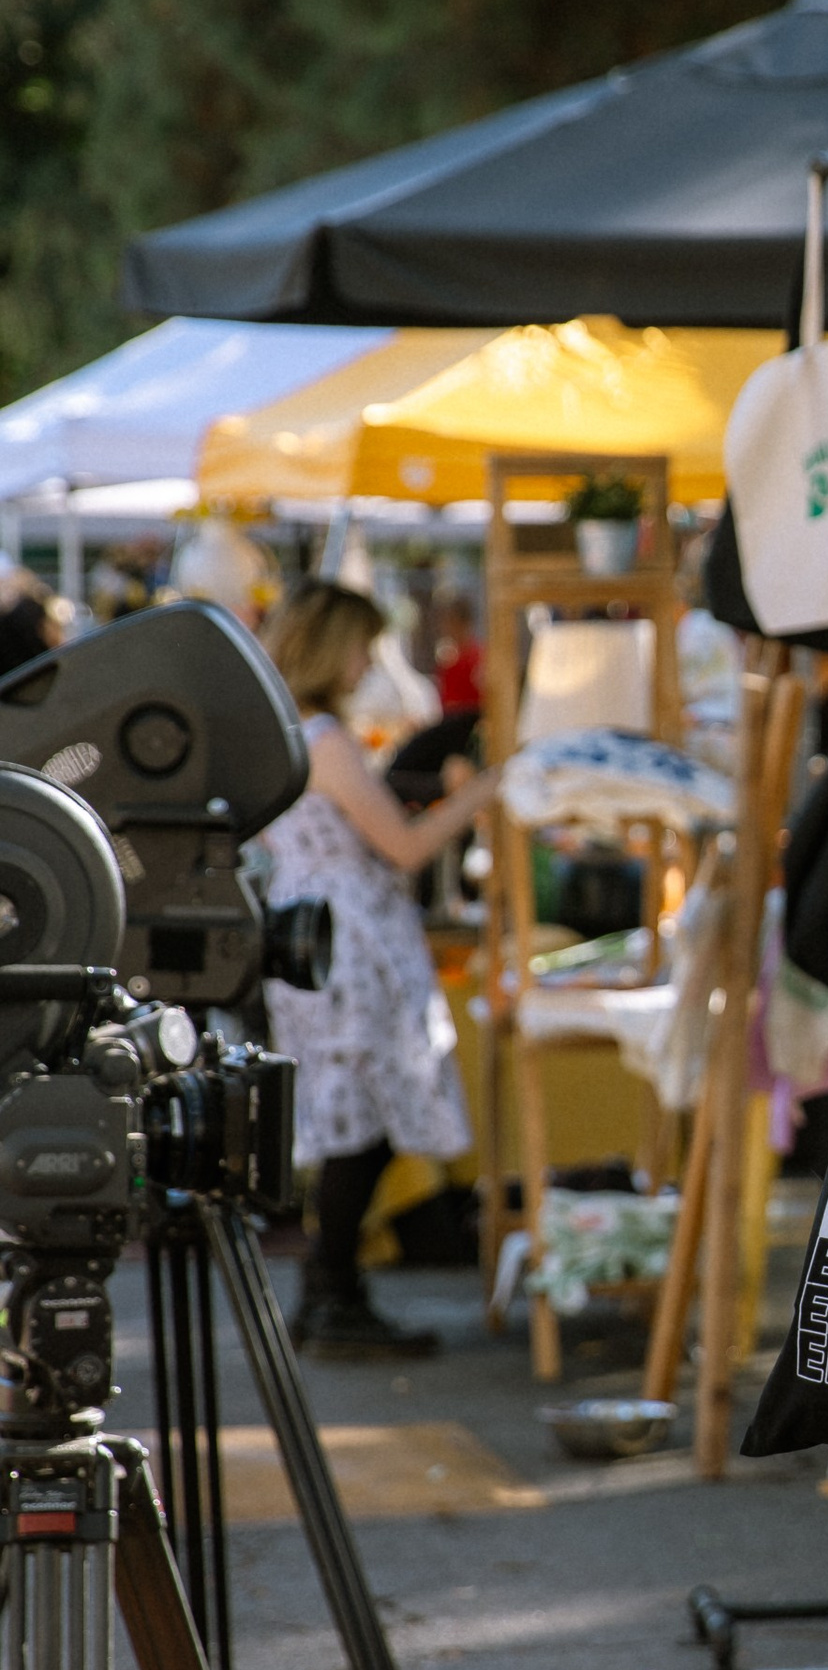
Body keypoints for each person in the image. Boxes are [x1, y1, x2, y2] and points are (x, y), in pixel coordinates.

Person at [259, 578, 494, 1360]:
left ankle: (333, 1291)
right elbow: (406, 846)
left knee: (351, 1119)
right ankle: (333, 1291)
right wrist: (486, 792)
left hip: (314, 935)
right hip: (352, 940)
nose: (368, 661)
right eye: (361, 644)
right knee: (362, 1123)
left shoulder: (286, 732)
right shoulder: (323, 737)